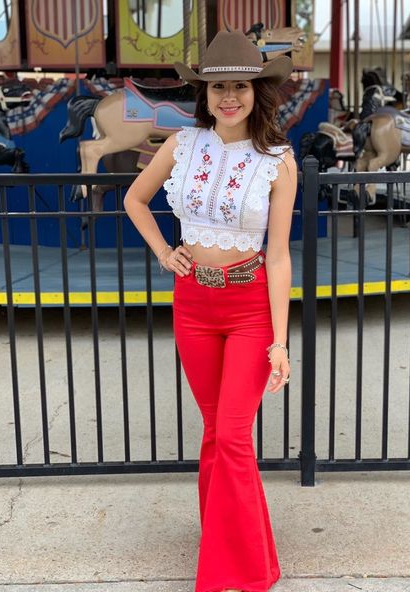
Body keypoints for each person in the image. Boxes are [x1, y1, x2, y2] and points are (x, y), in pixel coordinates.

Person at [124, 29, 297, 592]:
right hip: (194, 302)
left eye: (240, 87)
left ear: (258, 92)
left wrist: (280, 342)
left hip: (249, 308)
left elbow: (276, 256)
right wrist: (164, 253)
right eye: (219, 86)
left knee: (233, 436)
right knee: (213, 431)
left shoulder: (278, 161)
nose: (229, 97)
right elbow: (135, 199)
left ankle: (241, 572)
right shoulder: (184, 143)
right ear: (205, 92)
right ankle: (224, 539)